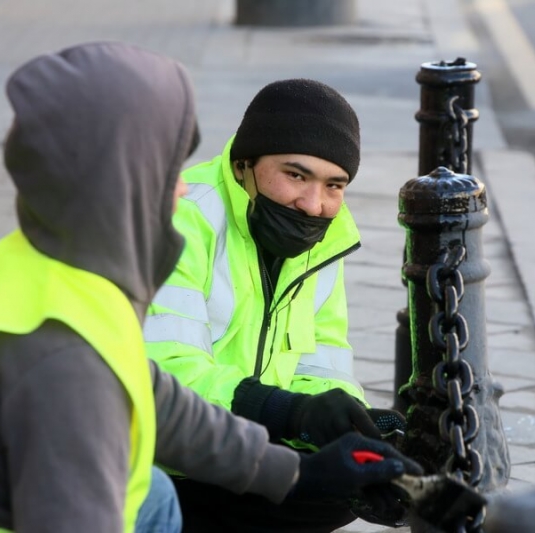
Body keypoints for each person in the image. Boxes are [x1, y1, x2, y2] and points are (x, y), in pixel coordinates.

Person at [0, 43, 422, 533]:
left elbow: (153, 397)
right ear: (119, 175)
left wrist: (296, 473)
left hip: (91, 483)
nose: (181, 185)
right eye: (164, 164)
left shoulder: (51, 264)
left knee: (175, 492)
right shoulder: (59, 356)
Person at [144, 78, 411, 531]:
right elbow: (163, 376)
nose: (313, 204)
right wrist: (291, 413)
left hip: (245, 442)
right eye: (296, 175)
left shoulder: (325, 236)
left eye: (334, 185)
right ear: (244, 163)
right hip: (167, 451)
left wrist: (350, 425)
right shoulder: (185, 218)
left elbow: (323, 362)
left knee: (344, 486)